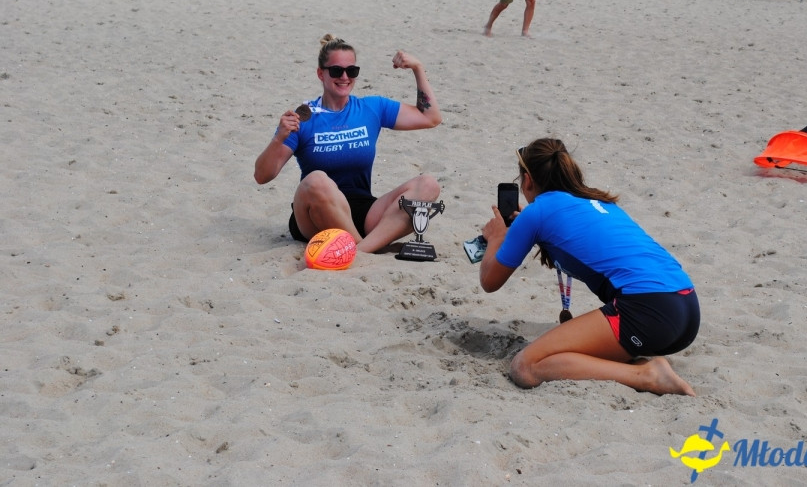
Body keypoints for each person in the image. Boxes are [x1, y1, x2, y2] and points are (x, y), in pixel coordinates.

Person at [478, 138, 699, 395]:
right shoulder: (599, 201)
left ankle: (645, 374)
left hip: (649, 311)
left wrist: (496, 238)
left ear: (527, 180)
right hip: (686, 307)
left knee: (526, 366)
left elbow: (490, 281)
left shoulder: (536, 213)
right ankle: (635, 363)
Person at [254, 36, 443, 254]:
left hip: (363, 210)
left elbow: (431, 118)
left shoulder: (371, 108)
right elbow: (262, 176)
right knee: (316, 180)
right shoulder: (303, 118)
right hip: (314, 215)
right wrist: (278, 139)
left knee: (428, 184)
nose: (344, 77)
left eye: (351, 71)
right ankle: (368, 248)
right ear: (321, 74)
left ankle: (359, 249)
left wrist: (418, 69)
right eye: (336, 71)